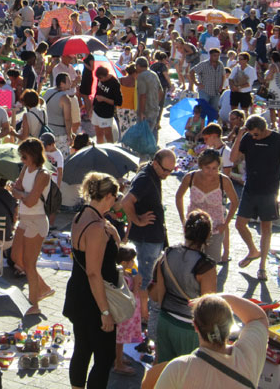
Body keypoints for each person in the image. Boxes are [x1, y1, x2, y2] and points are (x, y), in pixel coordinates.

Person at [63, 172, 121, 389]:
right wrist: (105, 311)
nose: (116, 202)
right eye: (115, 197)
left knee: (82, 349)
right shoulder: (97, 228)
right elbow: (94, 272)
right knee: (105, 357)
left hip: (78, 293)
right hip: (94, 299)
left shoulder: (81, 216)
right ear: (108, 196)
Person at [154, 294, 268, 389]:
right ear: (231, 324)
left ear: (195, 326)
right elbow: (258, 318)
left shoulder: (179, 368)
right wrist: (222, 298)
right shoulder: (248, 357)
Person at [230, 115, 280, 281]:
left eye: (256, 134)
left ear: (264, 130)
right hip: (250, 187)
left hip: (270, 190)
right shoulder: (248, 138)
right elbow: (233, 159)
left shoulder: (278, 140)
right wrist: (239, 136)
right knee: (239, 224)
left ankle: (262, 266)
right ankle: (253, 250)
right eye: (251, 134)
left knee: (266, 228)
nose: (253, 137)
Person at [149, 210, 217, 362]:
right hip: (190, 329)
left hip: (166, 321)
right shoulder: (206, 266)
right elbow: (207, 306)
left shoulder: (167, 255)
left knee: (163, 372)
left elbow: (155, 294)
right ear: (208, 236)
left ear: (185, 230)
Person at [120, 149, 175, 296]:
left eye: (171, 171)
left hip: (150, 237)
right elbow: (126, 202)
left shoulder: (152, 173)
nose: (167, 174)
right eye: (165, 170)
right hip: (146, 240)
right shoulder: (145, 178)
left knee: (144, 278)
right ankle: (141, 311)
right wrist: (138, 220)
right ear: (156, 164)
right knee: (144, 279)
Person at [9, 138, 53, 315]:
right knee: (15, 257)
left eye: (24, 156)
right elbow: (19, 191)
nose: (22, 160)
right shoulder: (26, 169)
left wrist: (19, 193)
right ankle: (42, 288)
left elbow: (31, 200)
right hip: (25, 218)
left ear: (33, 155)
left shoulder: (43, 174)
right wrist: (19, 192)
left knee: (29, 263)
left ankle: (34, 304)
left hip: (37, 220)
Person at [114, 246, 145, 376]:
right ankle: (118, 363)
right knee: (120, 340)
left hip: (129, 314)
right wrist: (137, 285)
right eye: (131, 260)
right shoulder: (123, 278)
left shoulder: (125, 274)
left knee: (120, 340)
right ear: (124, 263)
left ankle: (118, 358)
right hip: (125, 315)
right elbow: (128, 296)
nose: (133, 263)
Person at [42, 73, 73, 153]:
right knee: (61, 160)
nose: (71, 83)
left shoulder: (47, 92)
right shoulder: (65, 98)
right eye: (69, 81)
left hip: (47, 131)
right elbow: (68, 119)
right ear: (62, 83)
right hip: (60, 134)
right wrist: (69, 135)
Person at [92, 65, 122, 144]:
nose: (99, 80)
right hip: (97, 110)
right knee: (98, 133)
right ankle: (99, 150)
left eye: (101, 78)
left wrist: (104, 99)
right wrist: (92, 106)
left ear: (106, 76)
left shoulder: (114, 83)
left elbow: (118, 102)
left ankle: (110, 151)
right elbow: (97, 92)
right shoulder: (100, 79)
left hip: (106, 113)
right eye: (98, 78)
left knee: (108, 134)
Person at [136, 56, 164, 134]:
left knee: (143, 136)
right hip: (154, 109)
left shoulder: (141, 76)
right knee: (149, 133)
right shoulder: (153, 74)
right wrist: (156, 102)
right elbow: (161, 91)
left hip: (146, 110)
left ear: (138, 66)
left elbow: (143, 95)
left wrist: (141, 112)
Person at [264, 50, 280, 132]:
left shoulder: (273, 66)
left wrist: (264, 78)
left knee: (272, 108)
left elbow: (269, 77)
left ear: (272, 58)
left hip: (274, 88)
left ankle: (273, 125)